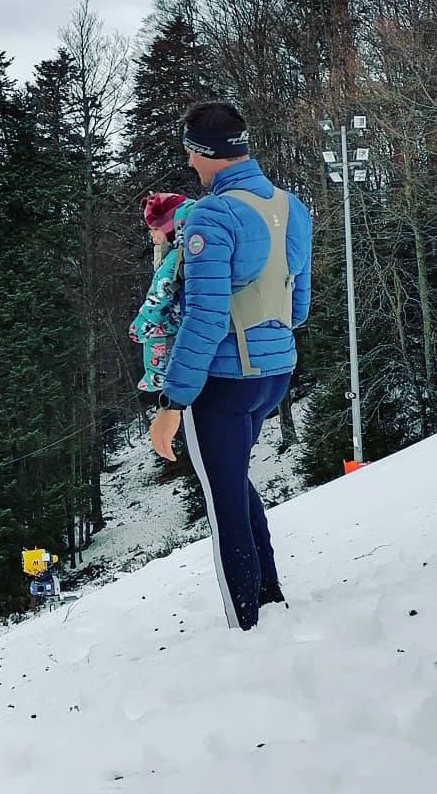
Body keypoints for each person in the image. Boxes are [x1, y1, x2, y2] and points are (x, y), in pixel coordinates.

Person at [148, 101, 313, 631]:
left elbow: (205, 319)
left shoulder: (212, 217)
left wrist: (172, 403)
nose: (188, 163)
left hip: (222, 383)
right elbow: (300, 307)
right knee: (235, 481)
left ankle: (247, 624)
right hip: (275, 374)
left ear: (202, 152)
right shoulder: (292, 207)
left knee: (224, 508)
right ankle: (270, 600)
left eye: (189, 152)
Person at [128, 192, 195, 393]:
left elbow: (158, 295)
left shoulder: (173, 257)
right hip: (186, 318)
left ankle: (157, 376)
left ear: (170, 229)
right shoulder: (187, 251)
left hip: (173, 318)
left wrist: (140, 326)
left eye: (155, 229)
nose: (152, 235)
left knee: (157, 339)